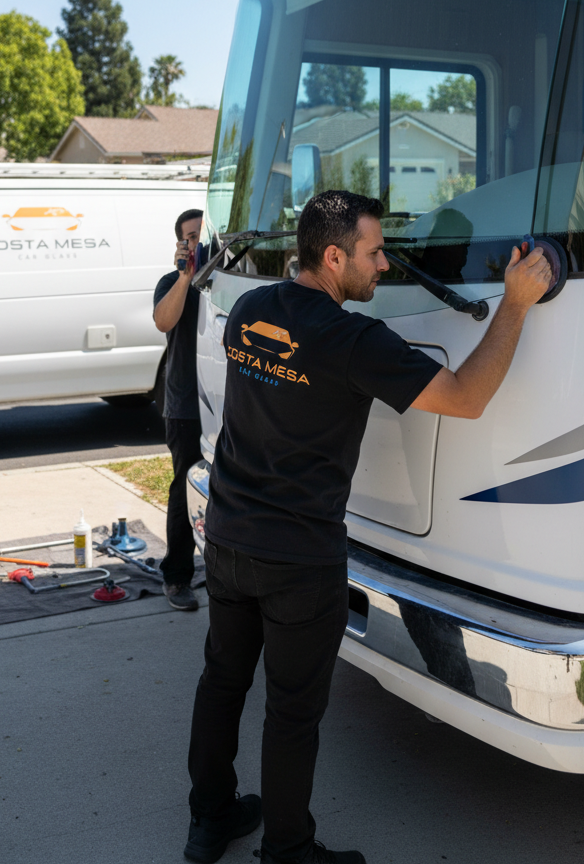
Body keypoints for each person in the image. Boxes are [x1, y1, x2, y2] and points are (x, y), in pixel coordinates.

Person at [183, 191, 551, 864]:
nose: (384, 265)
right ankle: (288, 850)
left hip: (230, 539)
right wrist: (517, 305)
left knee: (222, 681)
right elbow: (465, 398)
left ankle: (208, 821)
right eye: (374, 251)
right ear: (332, 256)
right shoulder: (353, 341)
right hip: (298, 558)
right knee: (292, 713)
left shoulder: (250, 310)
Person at [153, 207, 204, 612]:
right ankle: (177, 577)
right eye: (190, 236)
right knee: (183, 489)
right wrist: (186, 276)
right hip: (186, 406)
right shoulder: (172, 283)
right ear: (180, 243)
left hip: (227, 402)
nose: (197, 241)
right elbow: (163, 322)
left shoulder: (230, 280)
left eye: (203, 234)